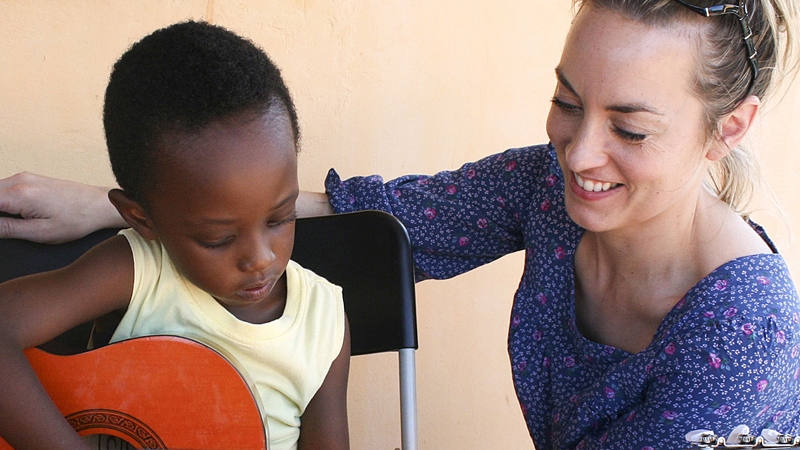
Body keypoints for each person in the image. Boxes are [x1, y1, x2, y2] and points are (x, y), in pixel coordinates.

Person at [2, 0, 800, 448]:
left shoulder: (747, 333)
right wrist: (129, 213)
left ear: (728, 128)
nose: (577, 149)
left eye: (629, 127)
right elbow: (390, 219)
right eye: (565, 101)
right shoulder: (546, 187)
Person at [0, 21, 350, 450]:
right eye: (217, 239)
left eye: (280, 218)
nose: (260, 258)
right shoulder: (140, 270)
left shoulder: (323, 322)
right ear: (141, 218)